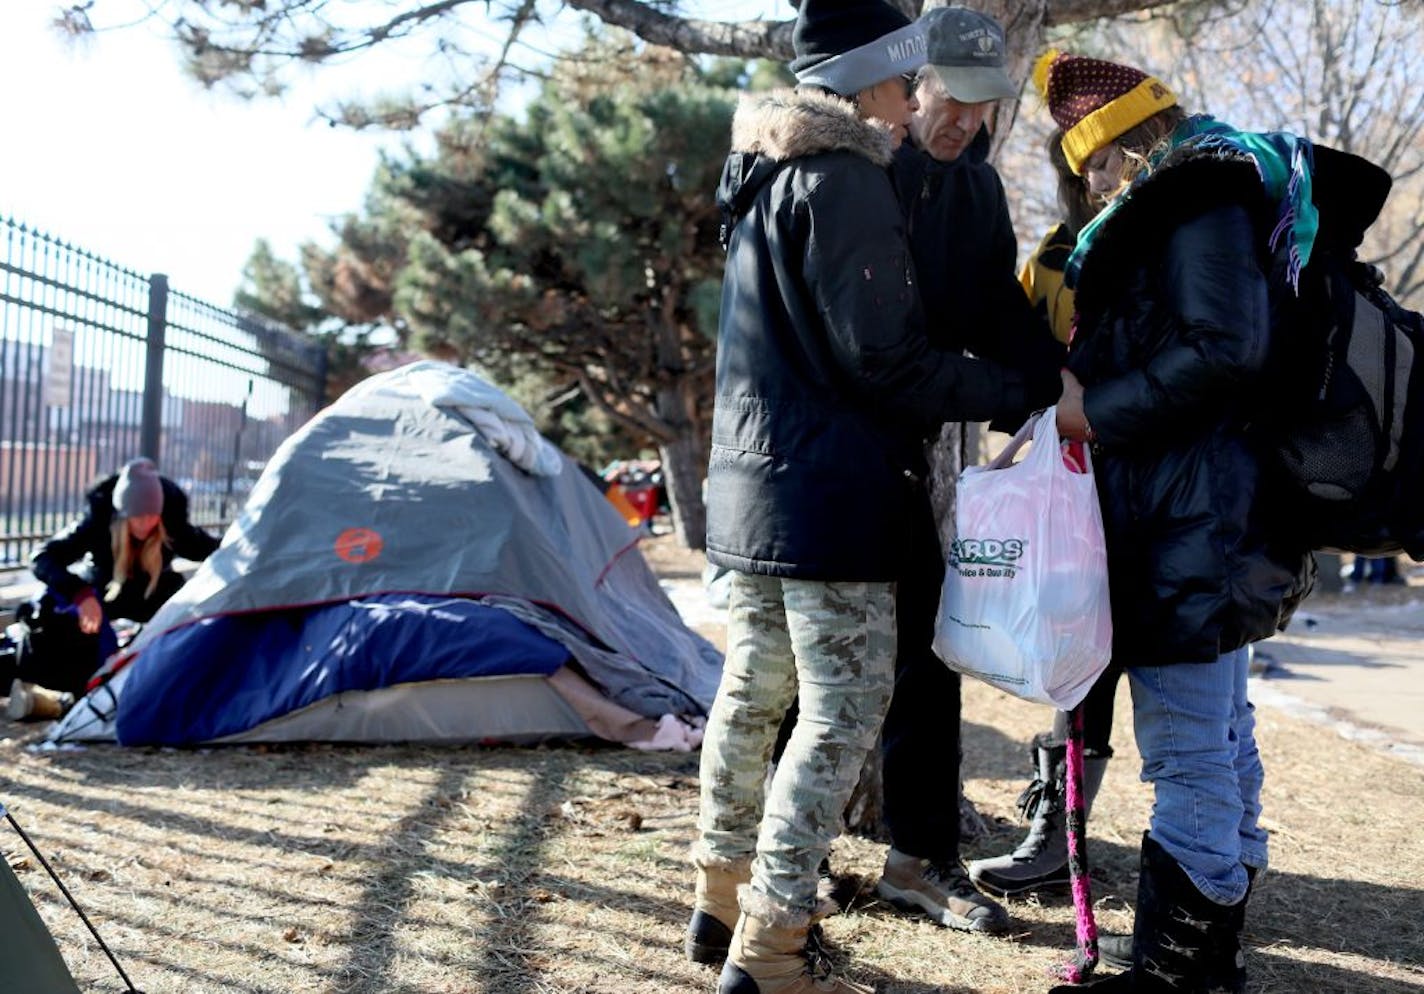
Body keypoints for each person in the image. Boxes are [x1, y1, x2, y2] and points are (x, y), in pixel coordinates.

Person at [686, 1, 1060, 990]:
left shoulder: (769, 170)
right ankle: (773, 938)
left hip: (773, 482)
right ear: (881, 84)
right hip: (834, 485)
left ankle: (725, 898)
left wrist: (1045, 372)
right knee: (834, 714)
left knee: (758, 693)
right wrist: (1018, 391)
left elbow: (976, 308)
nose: (923, 116)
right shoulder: (847, 175)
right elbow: (885, 359)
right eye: (911, 90)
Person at [1036, 50, 1317, 992]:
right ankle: (1216, 944)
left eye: (1102, 164)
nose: (1095, 185)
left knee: (1191, 751)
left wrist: (1092, 411)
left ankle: (1181, 973)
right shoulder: (1201, 202)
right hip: (1203, 514)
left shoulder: (1194, 199)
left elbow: (1221, 350)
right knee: (1223, 735)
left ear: (1137, 140)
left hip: (1188, 520)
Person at [872, 4, 1067, 935]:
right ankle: (769, 868)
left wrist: (1056, 387)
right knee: (802, 676)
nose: (964, 122)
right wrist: (994, 384)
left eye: (985, 107)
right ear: (915, 86)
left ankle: (921, 858)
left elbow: (999, 309)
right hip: (829, 460)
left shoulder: (979, 191)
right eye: (953, 98)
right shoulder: (855, 174)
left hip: (920, 460)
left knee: (929, 658)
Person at [967, 129, 1124, 899]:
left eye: (1110, 159)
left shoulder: (1178, 236)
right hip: (1072, 487)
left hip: (1161, 481)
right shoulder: (1060, 254)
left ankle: (1217, 841)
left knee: (1184, 676)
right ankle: (1057, 833)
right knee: (1073, 658)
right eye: (1084, 164)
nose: (1098, 177)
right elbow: (1016, 353)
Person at [8, 458, 220, 719]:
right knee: (50, 642)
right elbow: (41, 557)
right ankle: (58, 695)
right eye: (137, 516)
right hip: (99, 609)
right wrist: (81, 593)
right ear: (122, 513)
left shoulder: (173, 528)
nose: (145, 523)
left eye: (152, 515)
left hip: (148, 609)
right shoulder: (98, 525)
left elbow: (217, 550)